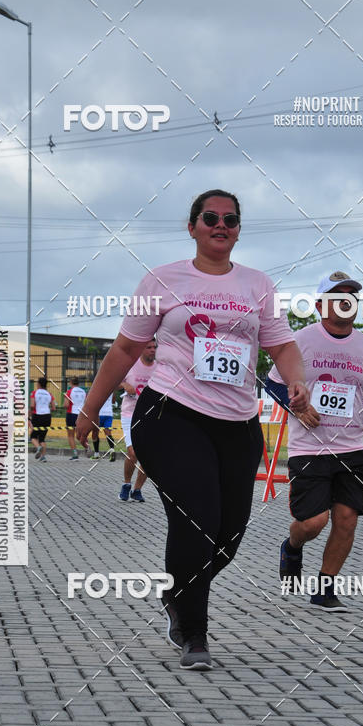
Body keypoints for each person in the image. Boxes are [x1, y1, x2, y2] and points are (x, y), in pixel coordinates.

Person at [77, 189, 308, 670]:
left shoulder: (258, 285)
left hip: (237, 422)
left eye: (231, 219)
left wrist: (298, 381)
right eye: (210, 217)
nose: (220, 224)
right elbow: (124, 350)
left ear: (238, 229)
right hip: (170, 414)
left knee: (229, 533)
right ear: (193, 226)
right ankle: (195, 634)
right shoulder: (163, 279)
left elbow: (282, 346)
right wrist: (89, 410)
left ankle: (177, 593)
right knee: (196, 520)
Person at [267, 270, 363, 611]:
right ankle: (292, 547)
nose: (345, 300)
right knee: (313, 522)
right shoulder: (300, 341)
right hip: (310, 447)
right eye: (337, 294)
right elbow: (273, 383)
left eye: (351, 295)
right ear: (320, 304)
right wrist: (296, 409)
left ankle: (325, 588)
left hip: (353, 447)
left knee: (346, 518)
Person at [118, 338, 157, 501]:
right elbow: (115, 380)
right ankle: (126, 484)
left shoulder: (159, 368)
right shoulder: (131, 365)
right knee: (133, 453)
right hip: (129, 414)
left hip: (150, 415)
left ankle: (137, 490)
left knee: (149, 456)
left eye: (154, 347)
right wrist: (125, 385)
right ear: (141, 349)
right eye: (148, 347)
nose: (152, 350)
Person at [30, 376, 55, 461]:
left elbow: (32, 405)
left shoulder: (34, 393)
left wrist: (30, 413)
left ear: (39, 384)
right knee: (42, 438)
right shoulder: (49, 394)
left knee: (33, 436)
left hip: (37, 415)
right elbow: (54, 408)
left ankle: (38, 447)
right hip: (47, 416)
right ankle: (43, 457)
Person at [64, 377, 86, 460]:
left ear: (70, 383)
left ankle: (75, 454)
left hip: (71, 414)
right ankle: (87, 447)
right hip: (81, 414)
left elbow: (66, 405)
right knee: (80, 434)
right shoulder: (84, 392)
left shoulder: (69, 392)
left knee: (70, 435)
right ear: (78, 383)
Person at [92, 391, 117, 461]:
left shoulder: (98, 388)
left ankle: (96, 454)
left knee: (95, 433)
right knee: (108, 433)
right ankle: (112, 450)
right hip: (109, 414)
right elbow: (113, 401)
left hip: (99, 413)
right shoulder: (112, 390)